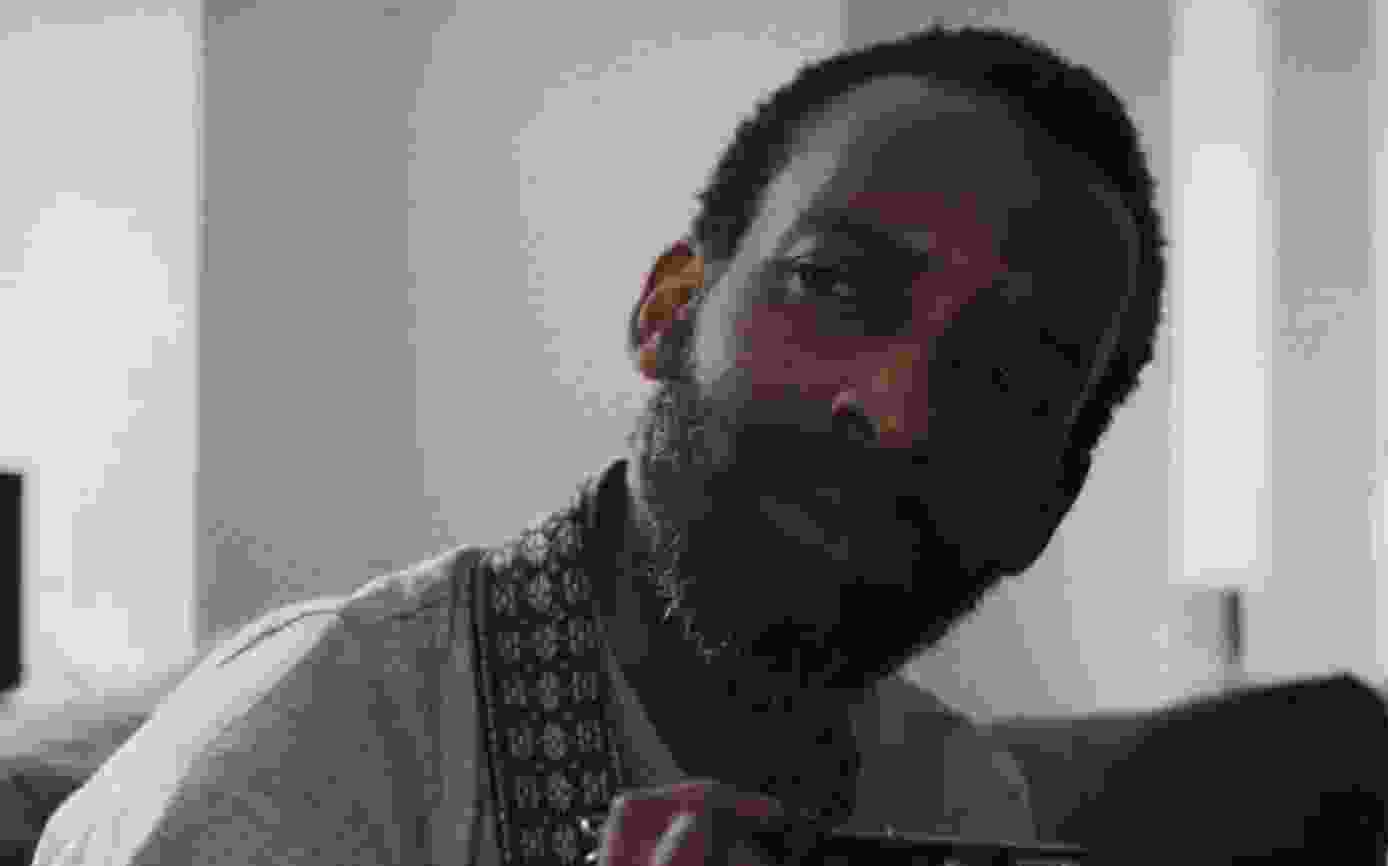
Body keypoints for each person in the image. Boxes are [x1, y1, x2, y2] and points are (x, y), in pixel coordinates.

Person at [31, 22, 1164, 866]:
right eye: (835, 284)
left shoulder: (959, 795)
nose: (896, 406)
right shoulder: (314, 749)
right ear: (669, 310)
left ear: (1048, 504)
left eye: (1007, 378)